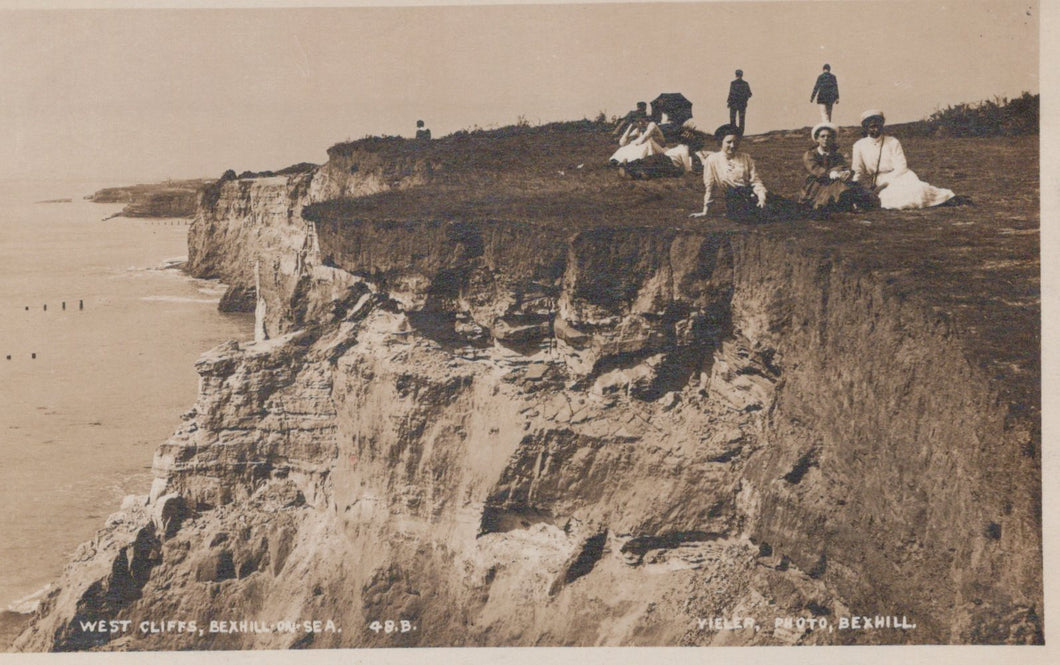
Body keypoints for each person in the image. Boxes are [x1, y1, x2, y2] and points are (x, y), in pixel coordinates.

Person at [851, 110, 966, 209]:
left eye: (878, 126)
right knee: (889, 197)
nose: (876, 129)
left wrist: (887, 182)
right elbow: (858, 170)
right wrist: (855, 186)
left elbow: (901, 166)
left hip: (901, 175)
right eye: (872, 127)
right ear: (866, 128)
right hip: (880, 179)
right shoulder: (859, 146)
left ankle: (947, 198)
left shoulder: (892, 141)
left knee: (919, 189)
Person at [690, 124, 796, 223]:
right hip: (735, 200)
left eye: (735, 142)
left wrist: (761, 196)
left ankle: (807, 211)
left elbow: (755, 181)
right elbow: (710, 187)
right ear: (721, 142)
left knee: (786, 206)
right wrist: (705, 211)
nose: (732, 146)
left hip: (752, 194)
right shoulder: (712, 160)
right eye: (729, 142)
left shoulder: (745, 157)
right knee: (764, 216)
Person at [799, 122, 877, 214]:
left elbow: (842, 166)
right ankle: (851, 204)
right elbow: (815, 170)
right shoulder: (810, 154)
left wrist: (846, 172)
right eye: (822, 136)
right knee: (840, 186)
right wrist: (832, 173)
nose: (826, 139)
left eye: (829, 136)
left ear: (832, 139)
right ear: (817, 139)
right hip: (817, 183)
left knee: (849, 184)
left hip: (835, 181)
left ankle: (852, 203)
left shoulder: (836, 154)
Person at [727, 69, 752, 134]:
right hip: (742, 104)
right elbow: (750, 94)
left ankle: (733, 132)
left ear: (736, 75)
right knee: (742, 119)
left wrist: (729, 102)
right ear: (742, 75)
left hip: (733, 104)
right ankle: (740, 133)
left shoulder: (733, 83)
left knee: (733, 119)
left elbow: (731, 94)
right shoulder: (745, 84)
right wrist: (744, 98)